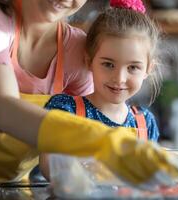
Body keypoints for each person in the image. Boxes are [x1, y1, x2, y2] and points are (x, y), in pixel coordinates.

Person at [0, 0, 178, 187]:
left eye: (133, 67)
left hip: (11, 185)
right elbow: (4, 110)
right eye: (109, 64)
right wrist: (108, 143)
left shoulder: (76, 49)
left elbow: (88, 119)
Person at [40, 1, 163, 179]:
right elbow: (48, 164)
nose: (119, 78)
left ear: (148, 69)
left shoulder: (145, 124)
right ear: (89, 61)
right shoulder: (66, 111)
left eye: (133, 68)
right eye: (108, 64)